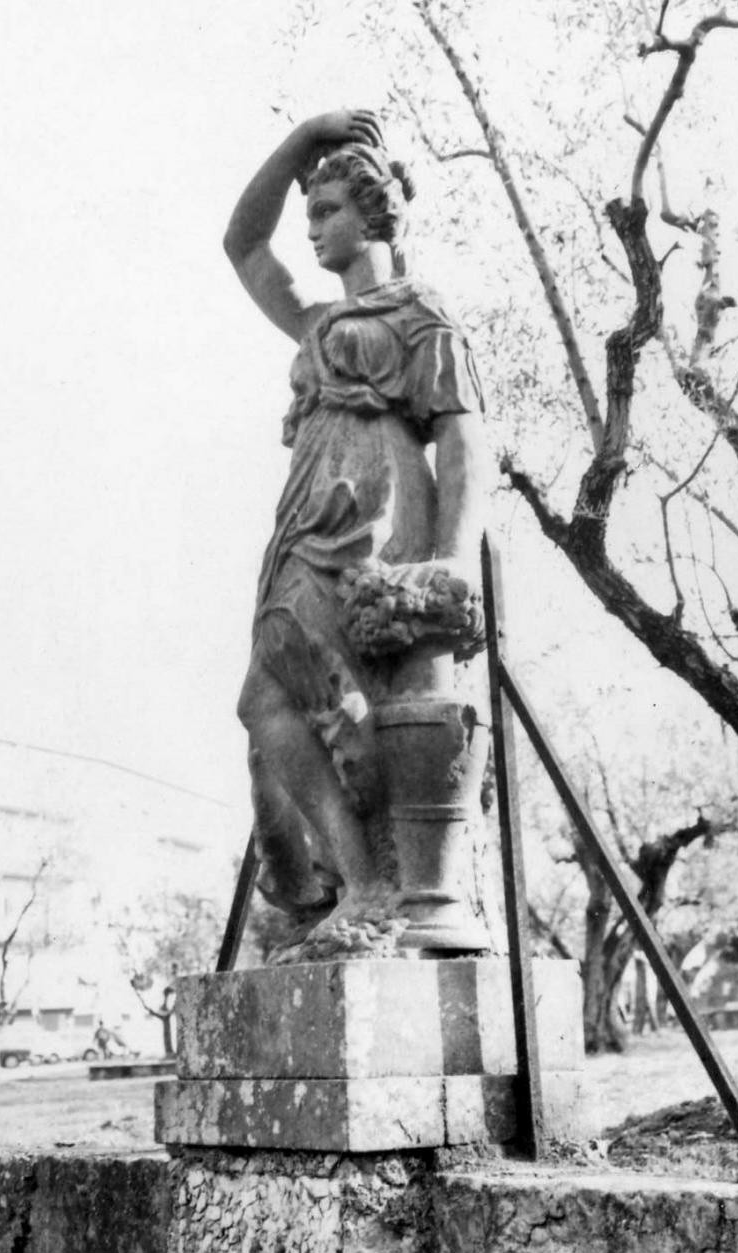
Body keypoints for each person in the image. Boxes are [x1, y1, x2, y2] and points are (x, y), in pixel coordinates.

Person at [223, 110, 487, 956]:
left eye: (327, 210)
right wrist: (303, 141)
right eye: (310, 215)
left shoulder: (420, 312)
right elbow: (242, 246)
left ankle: (382, 886)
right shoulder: (313, 322)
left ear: (373, 215)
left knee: (335, 691)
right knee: (267, 698)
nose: (313, 230)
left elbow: (462, 437)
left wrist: (450, 559)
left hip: (381, 514)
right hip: (305, 518)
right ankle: (357, 882)